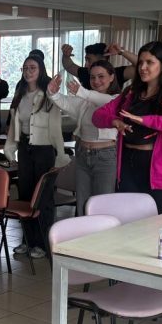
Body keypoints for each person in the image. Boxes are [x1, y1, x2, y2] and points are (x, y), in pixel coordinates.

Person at [91, 41, 162, 213]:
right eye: (140, 62)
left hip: (158, 170)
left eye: (150, 62)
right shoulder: (131, 93)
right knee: (128, 221)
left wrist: (147, 120)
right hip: (127, 165)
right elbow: (97, 116)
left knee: (158, 222)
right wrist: (115, 122)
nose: (142, 67)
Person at [4, 55, 66, 257]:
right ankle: (27, 240)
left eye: (32, 68)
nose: (28, 72)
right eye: (25, 68)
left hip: (44, 150)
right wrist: (10, 148)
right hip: (25, 149)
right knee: (25, 196)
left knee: (43, 198)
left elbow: (55, 126)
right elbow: (15, 125)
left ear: (40, 70)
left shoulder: (48, 94)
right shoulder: (20, 93)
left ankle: (42, 243)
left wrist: (60, 153)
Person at [48, 60, 119, 214]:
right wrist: (53, 93)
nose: (96, 81)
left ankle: (104, 230)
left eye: (101, 76)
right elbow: (65, 102)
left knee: (102, 204)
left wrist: (82, 92)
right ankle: (82, 229)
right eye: (92, 77)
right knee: (83, 203)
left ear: (112, 77)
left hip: (105, 157)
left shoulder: (116, 99)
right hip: (82, 153)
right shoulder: (85, 101)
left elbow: (107, 102)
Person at [61, 41, 127, 90]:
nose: (86, 64)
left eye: (89, 60)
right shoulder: (86, 72)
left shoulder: (117, 73)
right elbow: (69, 66)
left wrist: (121, 52)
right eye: (92, 78)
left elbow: (134, 69)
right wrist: (66, 56)